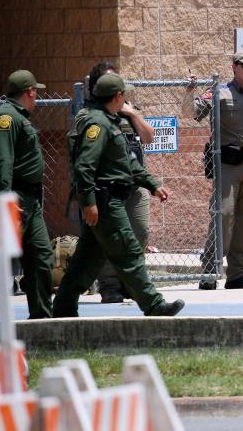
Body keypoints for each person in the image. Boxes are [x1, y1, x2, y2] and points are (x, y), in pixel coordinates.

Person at [53, 74, 184, 317]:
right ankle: (154, 305)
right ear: (117, 97)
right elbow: (84, 167)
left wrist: (152, 184)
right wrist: (89, 203)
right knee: (129, 251)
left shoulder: (109, 121)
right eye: (124, 94)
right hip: (105, 201)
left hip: (110, 199)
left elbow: (127, 163)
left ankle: (62, 306)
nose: (126, 98)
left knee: (86, 261)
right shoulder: (97, 125)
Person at [186, 49, 243, 290]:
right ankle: (210, 272)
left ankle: (237, 274)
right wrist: (189, 91)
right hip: (228, 165)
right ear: (234, 66)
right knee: (223, 214)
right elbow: (193, 113)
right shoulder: (219, 91)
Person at [81, 62, 156, 304]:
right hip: (108, 188)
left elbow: (148, 137)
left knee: (140, 233)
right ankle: (110, 285)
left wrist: (132, 113)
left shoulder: (127, 111)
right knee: (109, 239)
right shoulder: (92, 116)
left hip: (134, 185)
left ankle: (128, 284)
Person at [0, 70, 53, 319]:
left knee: (41, 255)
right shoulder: (6, 118)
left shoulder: (18, 116)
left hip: (30, 200)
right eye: (37, 92)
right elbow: (4, 161)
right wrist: (6, 201)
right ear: (30, 91)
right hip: (16, 197)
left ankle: (42, 317)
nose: (37, 97)